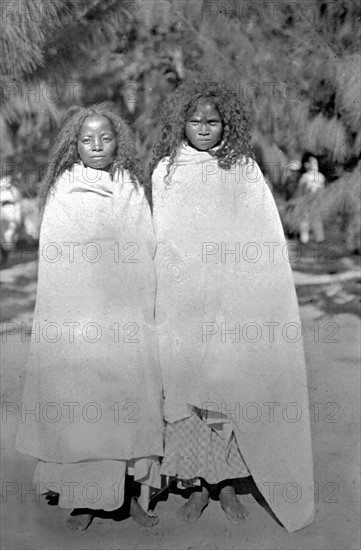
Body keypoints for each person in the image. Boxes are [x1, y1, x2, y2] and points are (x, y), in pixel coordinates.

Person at [151, 81, 315, 532]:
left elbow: (260, 238)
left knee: (229, 384)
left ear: (226, 124)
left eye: (213, 121)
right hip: (182, 299)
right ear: (181, 123)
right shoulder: (165, 171)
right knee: (189, 386)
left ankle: (228, 484)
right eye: (195, 120)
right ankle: (199, 486)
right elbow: (163, 239)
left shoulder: (241, 168)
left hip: (231, 298)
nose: (203, 129)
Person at [16, 103, 163, 530]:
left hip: (124, 319)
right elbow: (58, 263)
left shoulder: (132, 187)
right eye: (87, 139)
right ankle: (84, 500)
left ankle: (129, 497)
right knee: (84, 406)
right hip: (79, 321)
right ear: (73, 146)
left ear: (118, 141)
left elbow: (144, 251)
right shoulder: (64, 189)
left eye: (105, 138)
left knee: (127, 404)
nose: (97, 146)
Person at [296, 152, 326, 244]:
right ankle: (304, 238)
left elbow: (322, 189)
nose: (314, 166)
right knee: (304, 221)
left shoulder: (320, 177)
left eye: (315, 163)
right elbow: (300, 190)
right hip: (306, 201)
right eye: (312, 163)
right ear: (306, 165)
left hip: (316, 202)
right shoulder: (305, 177)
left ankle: (319, 238)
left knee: (317, 220)